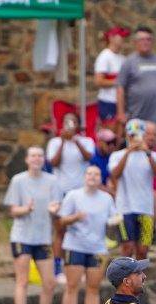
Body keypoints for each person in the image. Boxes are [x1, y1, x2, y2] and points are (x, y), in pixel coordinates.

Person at [4, 146, 63, 304]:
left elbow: (56, 206)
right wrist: (26, 209)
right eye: (33, 156)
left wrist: (54, 210)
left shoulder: (52, 181)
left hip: (43, 237)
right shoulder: (19, 180)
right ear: (27, 159)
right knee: (22, 280)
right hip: (22, 236)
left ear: (44, 159)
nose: (36, 159)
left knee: (50, 282)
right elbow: (13, 210)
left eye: (40, 155)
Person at [57, 165, 118, 304]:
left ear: (100, 178)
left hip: (97, 248)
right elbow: (61, 221)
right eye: (89, 173)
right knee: (71, 286)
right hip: (74, 245)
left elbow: (113, 218)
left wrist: (115, 222)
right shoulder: (73, 195)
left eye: (96, 174)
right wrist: (75, 217)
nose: (92, 177)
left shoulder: (106, 198)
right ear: (84, 177)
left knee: (93, 288)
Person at [47, 111, 95, 280]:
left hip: (80, 192)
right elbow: (53, 162)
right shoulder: (54, 142)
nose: (69, 125)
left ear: (78, 124)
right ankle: (58, 267)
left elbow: (89, 157)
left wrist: (75, 141)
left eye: (72, 122)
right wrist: (62, 141)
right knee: (60, 229)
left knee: (79, 229)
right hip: (60, 192)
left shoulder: (86, 141)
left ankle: (78, 267)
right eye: (66, 122)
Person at [108, 119, 156, 259]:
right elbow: (115, 174)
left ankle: (139, 279)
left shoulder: (153, 155)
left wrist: (147, 152)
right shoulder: (117, 155)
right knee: (127, 248)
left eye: (138, 135)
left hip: (146, 209)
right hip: (124, 209)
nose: (135, 138)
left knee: (143, 250)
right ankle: (124, 279)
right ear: (127, 136)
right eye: (132, 135)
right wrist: (128, 152)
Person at [116, 26, 156, 148]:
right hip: (137, 118)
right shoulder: (129, 62)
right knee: (137, 150)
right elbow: (120, 88)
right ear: (135, 42)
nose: (145, 42)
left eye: (148, 39)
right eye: (142, 39)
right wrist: (121, 113)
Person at [94, 26, 129, 133]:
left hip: (121, 103)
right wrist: (117, 82)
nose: (123, 39)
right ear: (111, 38)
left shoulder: (123, 58)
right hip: (107, 102)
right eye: (120, 36)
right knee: (110, 134)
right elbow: (99, 81)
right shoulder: (104, 56)